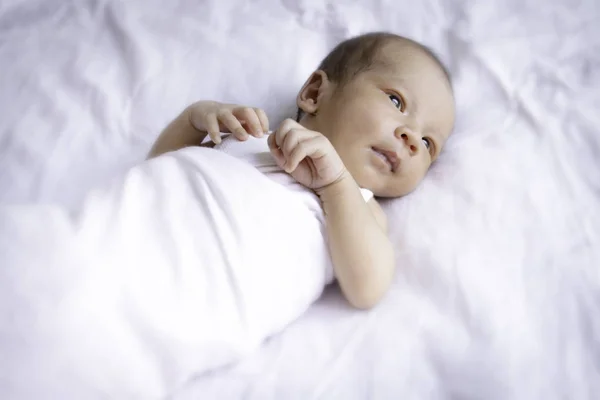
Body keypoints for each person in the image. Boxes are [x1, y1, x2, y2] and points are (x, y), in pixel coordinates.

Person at [147, 32, 455, 309]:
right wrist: (191, 122)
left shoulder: (360, 207)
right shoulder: (250, 137)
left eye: (428, 143)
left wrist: (336, 184)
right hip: (148, 236)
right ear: (315, 93)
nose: (412, 138)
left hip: (200, 302)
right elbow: (157, 178)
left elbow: (366, 289)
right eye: (395, 100)